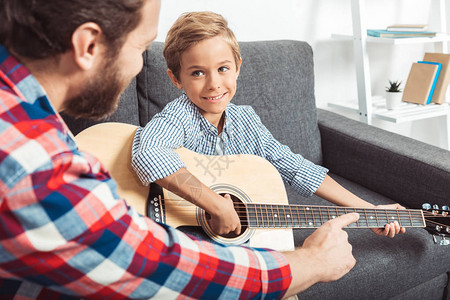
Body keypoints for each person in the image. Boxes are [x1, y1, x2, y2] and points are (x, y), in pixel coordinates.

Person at [0, 0, 361, 299]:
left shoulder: (27, 113)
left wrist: (363, 208)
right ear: (88, 45)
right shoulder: (31, 166)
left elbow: (289, 163)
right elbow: (148, 261)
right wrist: (311, 262)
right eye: (142, 46)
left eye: (222, 68)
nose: (141, 65)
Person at [131, 11, 406, 238]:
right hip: (175, 233)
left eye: (223, 68)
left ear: (238, 66)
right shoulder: (179, 116)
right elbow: (148, 153)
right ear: (176, 79)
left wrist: (369, 210)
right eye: (197, 73)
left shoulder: (246, 120)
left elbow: (295, 167)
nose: (214, 83)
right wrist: (214, 204)